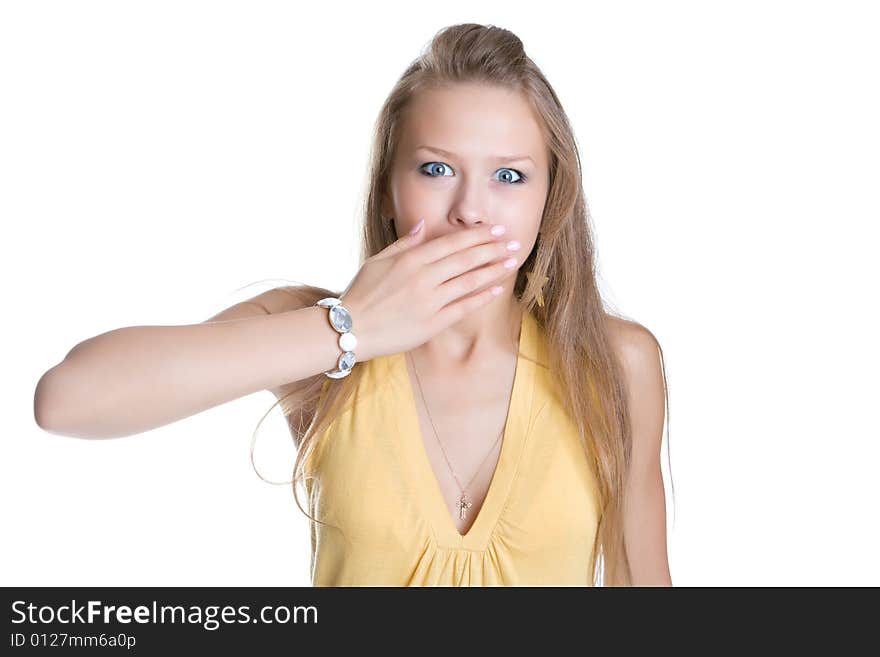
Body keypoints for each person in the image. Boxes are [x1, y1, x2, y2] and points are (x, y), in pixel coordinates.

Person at [34, 23, 672, 587]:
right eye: (435, 169)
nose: (471, 210)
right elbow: (68, 399)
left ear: (550, 197)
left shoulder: (615, 361)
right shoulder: (318, 336)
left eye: (510, 176)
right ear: (388, 189)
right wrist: (348, 330)